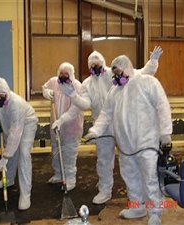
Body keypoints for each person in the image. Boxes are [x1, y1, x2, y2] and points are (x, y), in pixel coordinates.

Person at [58, 46, 163, 204]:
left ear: (103, 62)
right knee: (104, 160)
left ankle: (139, 196)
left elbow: (140, 73)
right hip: (103, 128)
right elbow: (85, 103)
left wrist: (153, 62)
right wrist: (73, 95)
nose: (95, 67)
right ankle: (105, 190)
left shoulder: (114, 74)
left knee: (131, 160)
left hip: (123, 125)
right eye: (92, 65)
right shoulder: (87, 83)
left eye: (97, 63)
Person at [85, 55, 172, 225]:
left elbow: (162, 105)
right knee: (130, 177)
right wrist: (95, 130)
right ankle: (137, 206)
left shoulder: (147, 82)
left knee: (150, 177)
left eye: (119, 72)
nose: (117, 76)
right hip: (125, 145)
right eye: (115, 73)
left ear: (128, 67)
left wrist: (165, 131)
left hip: (146, 142)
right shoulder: (114, 91)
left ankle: (155, 212)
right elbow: (106, 114)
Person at [0, 77, 38, 210]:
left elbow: (15, 133)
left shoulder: (16, 104)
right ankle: (9, 179)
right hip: (7, 123)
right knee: (11, 150)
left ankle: (25, 193)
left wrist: (5, 156)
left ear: (7, 94)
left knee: (23, 153)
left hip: (27, 122)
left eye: (2, 96)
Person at [42, 62, 84, 191]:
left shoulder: (77, 86)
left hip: (72, 126)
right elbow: (45, 86)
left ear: (71, 74)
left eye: (66, 74)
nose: (63, 76)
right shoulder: (54, 82)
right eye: (61, 73)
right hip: (55, 125)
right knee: (56, 151)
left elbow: (75, 108)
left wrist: (62, 120)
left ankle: (70, 179)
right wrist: (46, 91)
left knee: (69, 154)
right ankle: (59, 175)